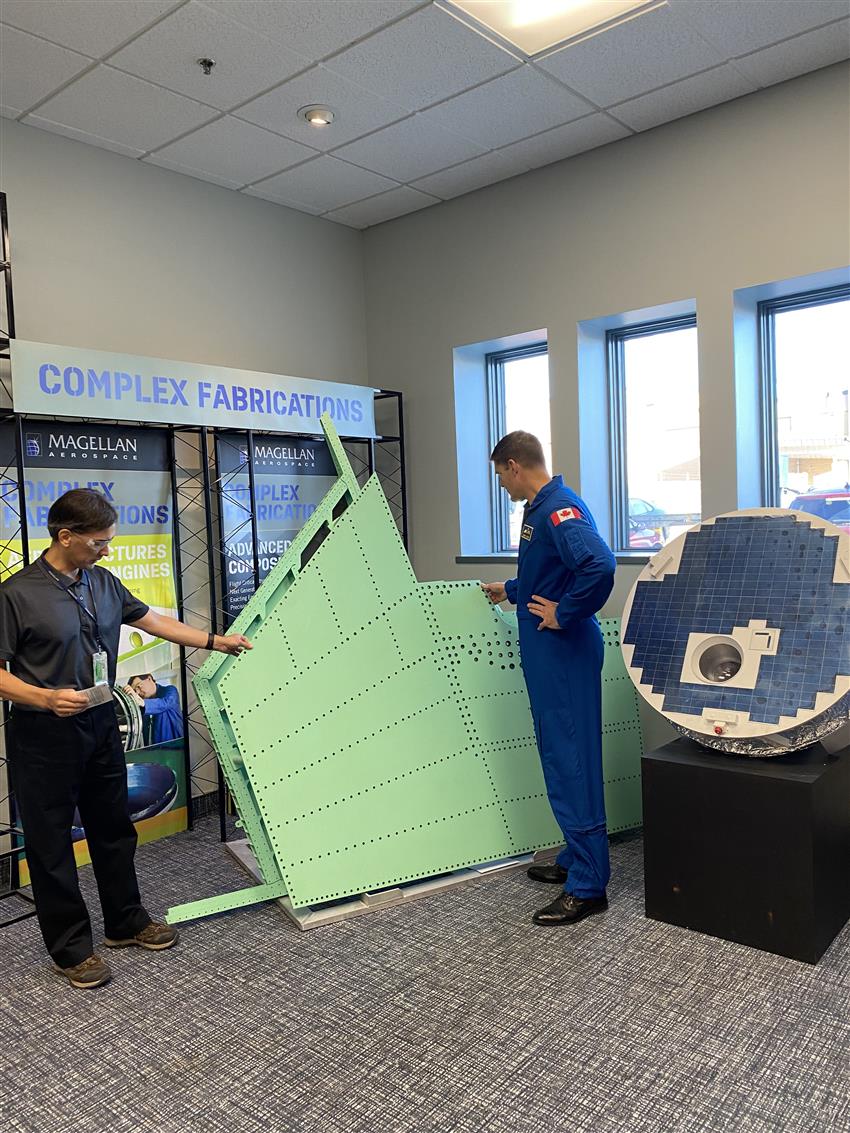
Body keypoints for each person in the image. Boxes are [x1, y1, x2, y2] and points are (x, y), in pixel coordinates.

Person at [0, 488, 252, 989]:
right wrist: (43, 698)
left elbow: (151, 620)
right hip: (42, 731)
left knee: (113, 828)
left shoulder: (103, 582)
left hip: (99, 723)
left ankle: (125, 922)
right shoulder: (16, 594)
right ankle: (72, 949)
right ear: (65, 536)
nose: (107, 550)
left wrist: (212, 640)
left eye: (110, 541)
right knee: (51, 844)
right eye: (99, 542)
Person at [482, 432, 616, 927]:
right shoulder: (540, 509)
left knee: (570, 759)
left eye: (499, 475)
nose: (500, 484)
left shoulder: (559, 509)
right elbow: (550, 574)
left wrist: (567, 612)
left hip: (563, 652)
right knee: (559, 753)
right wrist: (512, 590)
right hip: (550, 655)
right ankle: (575, 858)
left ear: (514, 466)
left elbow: (598, 565)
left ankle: (588, 885)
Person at [125, 673, 183, 745]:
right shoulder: (143, 706)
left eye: (138, 687)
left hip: (176, 749)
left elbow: (164, 703)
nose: (138, 693)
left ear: (149, 679)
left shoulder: (170, 691)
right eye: (135, 691)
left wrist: (141, 702)